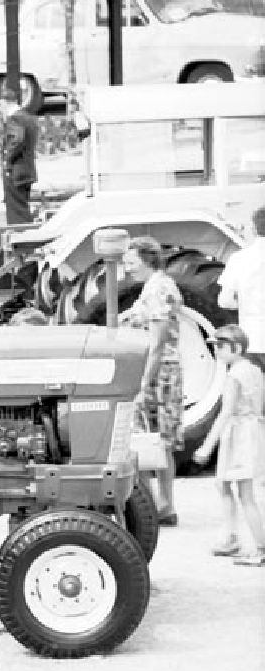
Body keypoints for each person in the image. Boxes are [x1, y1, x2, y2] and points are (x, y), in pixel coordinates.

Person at [119, 236, 185, 526]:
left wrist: (143, 383)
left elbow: (157, 343)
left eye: (131, 262)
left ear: (147, 260)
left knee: (152, 439)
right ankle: (161, 503)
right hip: (159, 369)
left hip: (158, 372)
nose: (127, 268)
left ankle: (160, 505)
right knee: (157, 441)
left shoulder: (158, 289)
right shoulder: (155, 286)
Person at [193, 325, 265, 565]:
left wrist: (206, 447)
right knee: (223, 484)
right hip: (252, 430)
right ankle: (231, 537)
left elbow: (226, 413)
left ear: (236, 348)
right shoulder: (254, 370)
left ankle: (261, 547)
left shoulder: (235, 375)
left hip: (239, 434)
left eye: (221, 348)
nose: (218, 353)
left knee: (245, 494)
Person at [217, 205, 265, 372]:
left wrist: (242, 303)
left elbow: (224, 301)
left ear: (253, 229)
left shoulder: (239, 259)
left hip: (253, 339)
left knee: (255, 393)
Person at [0, 86, 38, 226]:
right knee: (23, 209)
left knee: (16, 214)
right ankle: (26, 242)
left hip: (15, 173)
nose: (0, 109)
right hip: (26, 172)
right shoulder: (28, 118)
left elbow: (17, 139)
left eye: (0, 105)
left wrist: (6, 161)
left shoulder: (14, 119)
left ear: (5, 103)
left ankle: (21, 244)